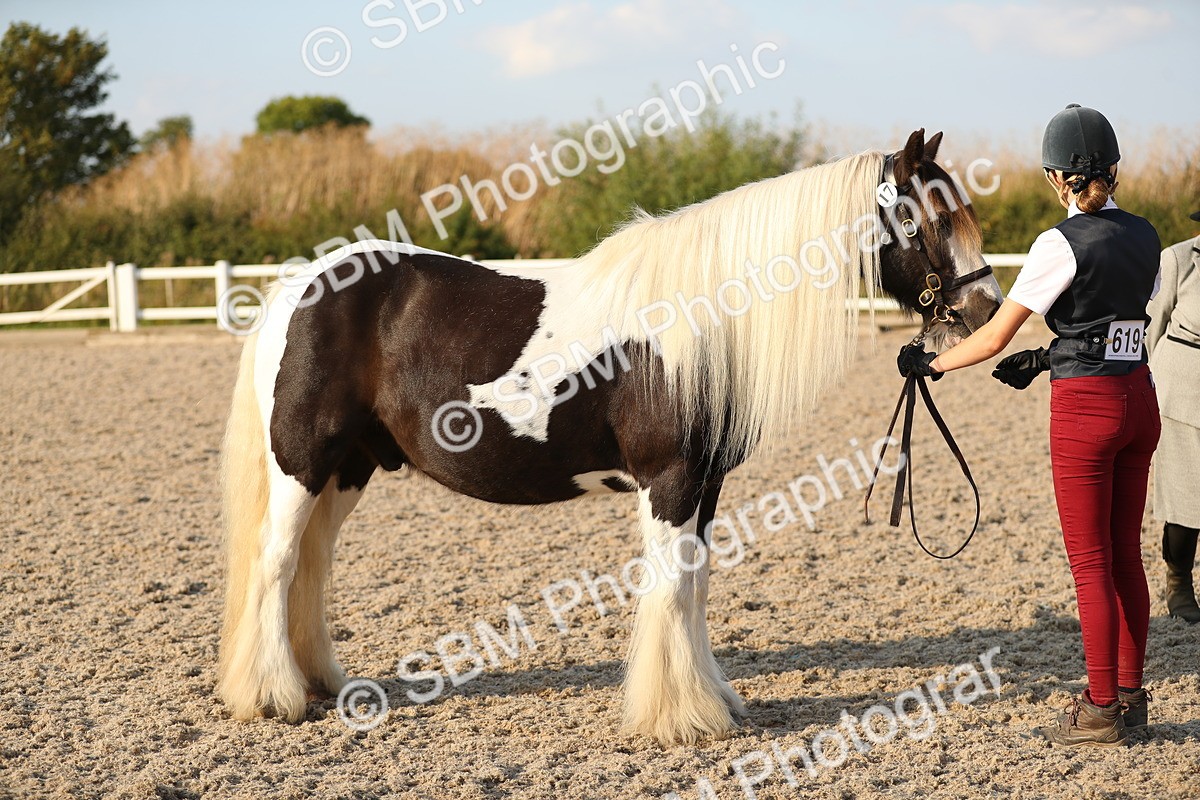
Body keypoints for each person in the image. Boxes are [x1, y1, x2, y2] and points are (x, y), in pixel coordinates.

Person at [897, 104, 1161, 747]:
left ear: (1056, 177)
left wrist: (931, 363)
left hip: (1087, 413)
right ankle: (1129, 694)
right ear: (1113, 168)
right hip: (1139, 400)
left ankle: (1099, 708)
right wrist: (1051, 355)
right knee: (1126, 554)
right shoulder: (1147, 234)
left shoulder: (1058, 243)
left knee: (1090, 563)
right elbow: (1112, 323)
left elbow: (991, 337)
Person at [1146, 211, 1200, 625]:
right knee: (1187, 495)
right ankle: (1178, 579)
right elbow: (1153, 325)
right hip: (1183, 391)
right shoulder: (1180, 259)